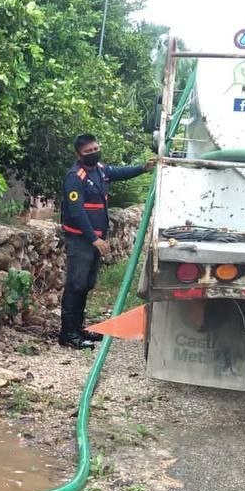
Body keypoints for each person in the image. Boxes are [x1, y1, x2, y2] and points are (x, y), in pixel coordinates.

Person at [59, 135, 155, 349]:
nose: (93, 152)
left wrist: (143, 168)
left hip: (95, 239)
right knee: (76, 285)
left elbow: (119, 172)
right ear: (78, 155)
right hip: (81, 239)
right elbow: (76, 211)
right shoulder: (76, 177)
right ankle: (68, 335)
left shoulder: (99, 169)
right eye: (88, 151)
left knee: (86, 285)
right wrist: (94, 239)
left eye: (95, 148)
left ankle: (79, 329)